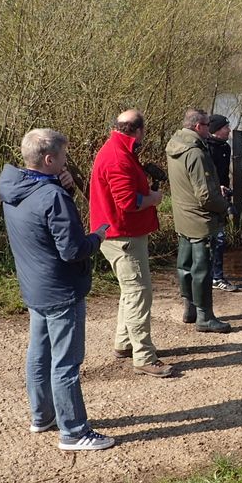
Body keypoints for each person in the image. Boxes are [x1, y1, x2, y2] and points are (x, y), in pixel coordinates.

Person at [0, 128, 114, 451]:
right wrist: (98, 236)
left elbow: (43, 223)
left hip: (34, 286)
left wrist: (60, 190)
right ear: (49, 159)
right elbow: (73, 249)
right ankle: (74, 432)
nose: (66, 163)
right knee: (66, 362)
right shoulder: (52, 197)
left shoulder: (15, 188)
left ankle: (43, 416)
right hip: (62, 289)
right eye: (63, 157)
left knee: (39, 354)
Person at [89, 109, 174, 378]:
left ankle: (124, 344)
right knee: (139, 293)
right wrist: (153, 199)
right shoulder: (118, 157)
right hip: (122, 236)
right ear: (139, 130)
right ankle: (144, 356)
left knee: (130, 291)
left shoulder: (118, 149)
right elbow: (128, 202)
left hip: (119, 233)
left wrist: (146, 192)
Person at [166, 108, 232, 334]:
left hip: (182, 215)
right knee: (202, 269)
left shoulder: (175, 143)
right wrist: (224, 206)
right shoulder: (196, 153)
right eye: (206, 125)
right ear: (197, 127)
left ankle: (190, 308)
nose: (209, 129)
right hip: (200, 220)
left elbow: (187, 183)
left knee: (185, 264)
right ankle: (205, 317)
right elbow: (205, 196)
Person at [205, 114, 241, 293]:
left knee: (219, 238)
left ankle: (214, 274)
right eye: (225, 127)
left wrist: (226, 190)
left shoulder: (225, 147)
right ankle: (215, 277)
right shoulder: (205, 149)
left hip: (222, 198)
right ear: (216, 131)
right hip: (209, 198)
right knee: (216, 239)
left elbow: (224, 175)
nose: (228, 130)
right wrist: (215, 188)